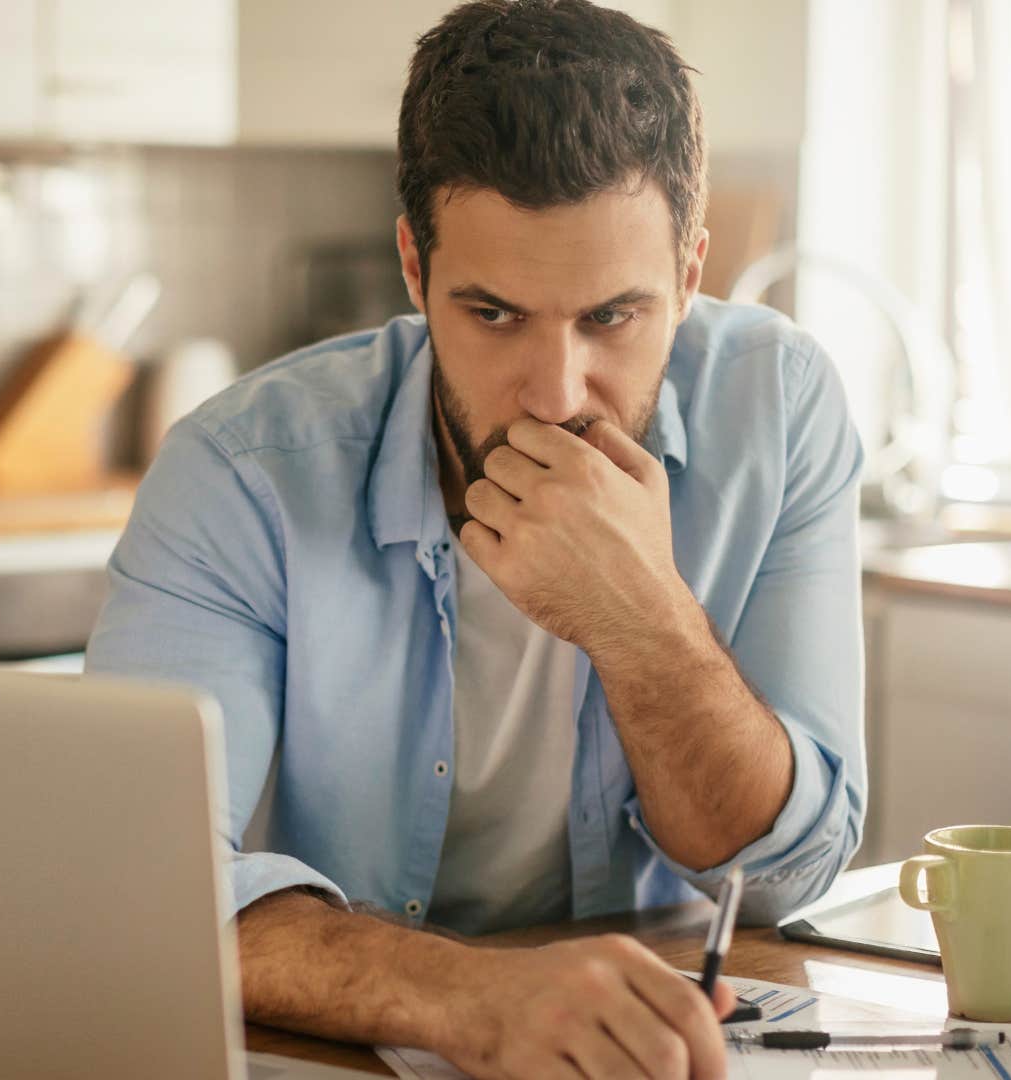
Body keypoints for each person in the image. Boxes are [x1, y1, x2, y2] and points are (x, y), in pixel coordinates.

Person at [86, 2, 866, 1076]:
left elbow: (789, 874)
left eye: (612, 318)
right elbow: (132, 891)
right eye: (493, 314)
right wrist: (470, 997)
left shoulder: (779, 406)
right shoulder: (240, 474)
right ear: (414, 268)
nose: (553, 394)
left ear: (691, 272)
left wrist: (641, 619)